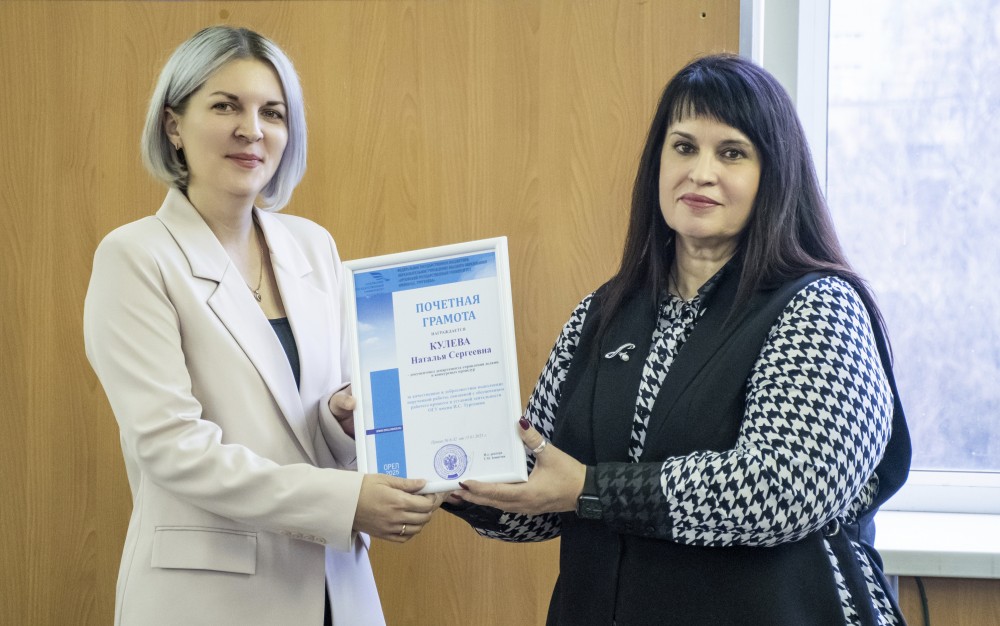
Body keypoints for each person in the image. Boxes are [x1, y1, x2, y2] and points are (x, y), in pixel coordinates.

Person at [449, 54, 911, 625]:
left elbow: (787, 488)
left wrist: (594, 490)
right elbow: (541, 498)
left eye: (732, 152)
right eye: (684, 147)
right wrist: (437, 462)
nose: (701, 173)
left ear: (775, 174)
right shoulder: (601, 313)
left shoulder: (819, 307)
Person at [84, 26, 443, 626]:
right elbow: (173, 448)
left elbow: (313, 419)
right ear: (173, 125)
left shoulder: (313, 246)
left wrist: (343, 418)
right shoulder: (136, 257)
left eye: (272, 112)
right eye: (226, 106)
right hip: (211, 598)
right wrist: (344, 502)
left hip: (335, 588)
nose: (251, 129)